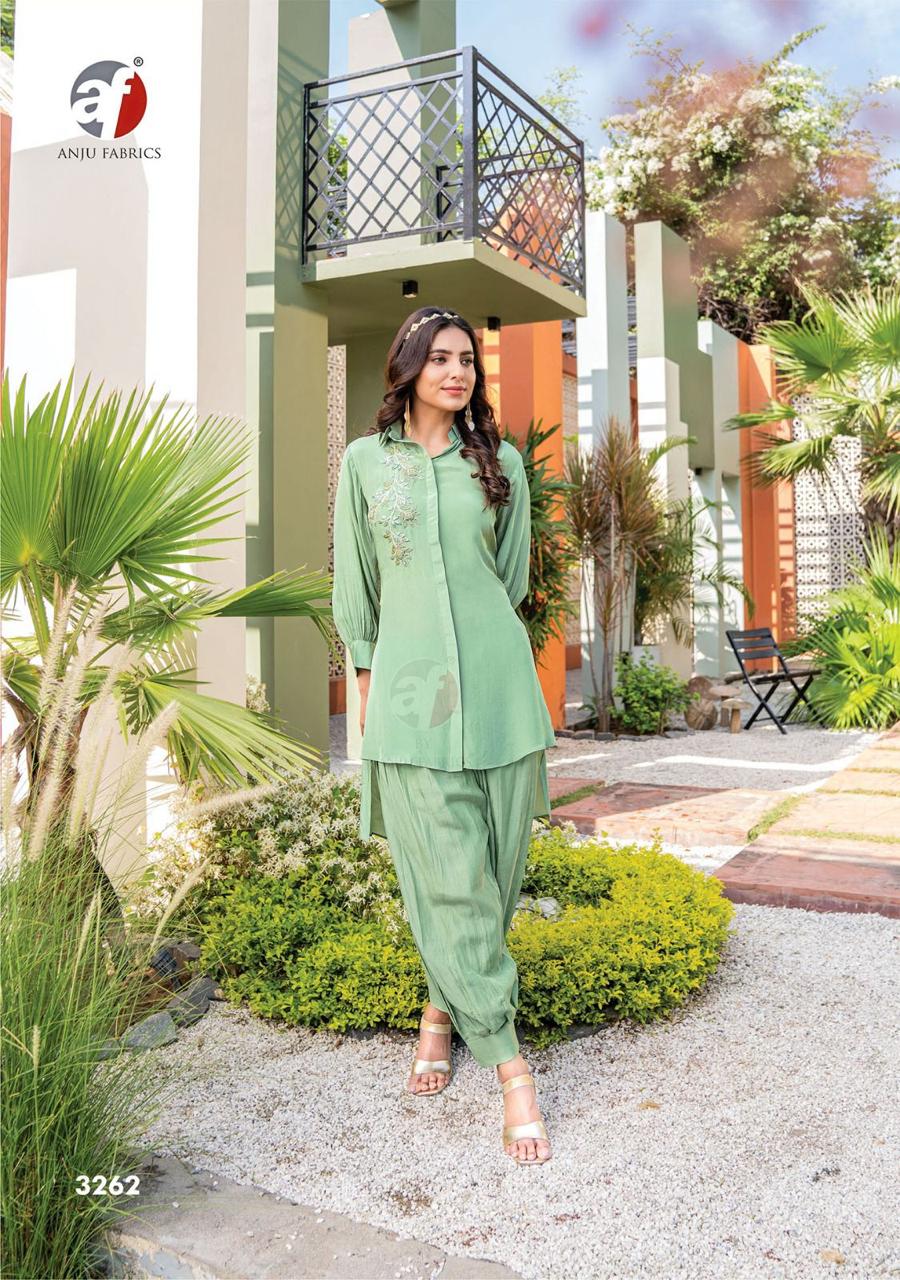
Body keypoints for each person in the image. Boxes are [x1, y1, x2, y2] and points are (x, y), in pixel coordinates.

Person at [332, 305, 557, 1165]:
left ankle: (438, 1010)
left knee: (492, 877)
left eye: (467, 360)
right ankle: (508, 1064)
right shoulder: (365, 463)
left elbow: (511, 576)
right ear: (409, 368)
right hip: (411, 695)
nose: (457, 372)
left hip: (499, 691)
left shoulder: (498, 463)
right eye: (440, 359)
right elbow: (355, 582)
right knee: (449, 879)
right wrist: (366, 679)